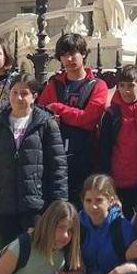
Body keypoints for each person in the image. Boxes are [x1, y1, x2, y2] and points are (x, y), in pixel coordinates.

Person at [0, 74, 67, 249]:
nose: (18, 97)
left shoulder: (46, 124)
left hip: (35, 206)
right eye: (14, 92)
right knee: (4, 259)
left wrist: (58, 207)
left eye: (24, 93)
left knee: (34, 257)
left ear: (34, 96)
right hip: (2, 206)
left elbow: (58, 169)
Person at [38, 32, 109, 203]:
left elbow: (87, 120)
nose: (68, 59)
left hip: (86, 158)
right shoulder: (53, 84)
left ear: (83, 53)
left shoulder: (98, 85)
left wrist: (57, 108)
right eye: (64, 55)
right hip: (55, 156)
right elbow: (40, 114)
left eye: (72, 53)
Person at [98, 65, 137, 216]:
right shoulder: (112, 114)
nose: (126, 91)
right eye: (122, 86)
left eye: (131, 86)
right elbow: (104, 150)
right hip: (120, 181)